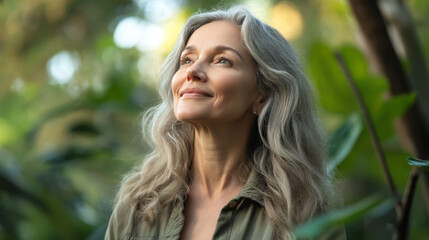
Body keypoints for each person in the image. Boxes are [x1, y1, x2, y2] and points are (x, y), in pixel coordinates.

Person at [106, 5, 338, 240]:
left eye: (222, 61)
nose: (193, 71)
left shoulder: (305, 213)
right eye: (187, 59)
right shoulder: (137, 204)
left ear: (263, 94)